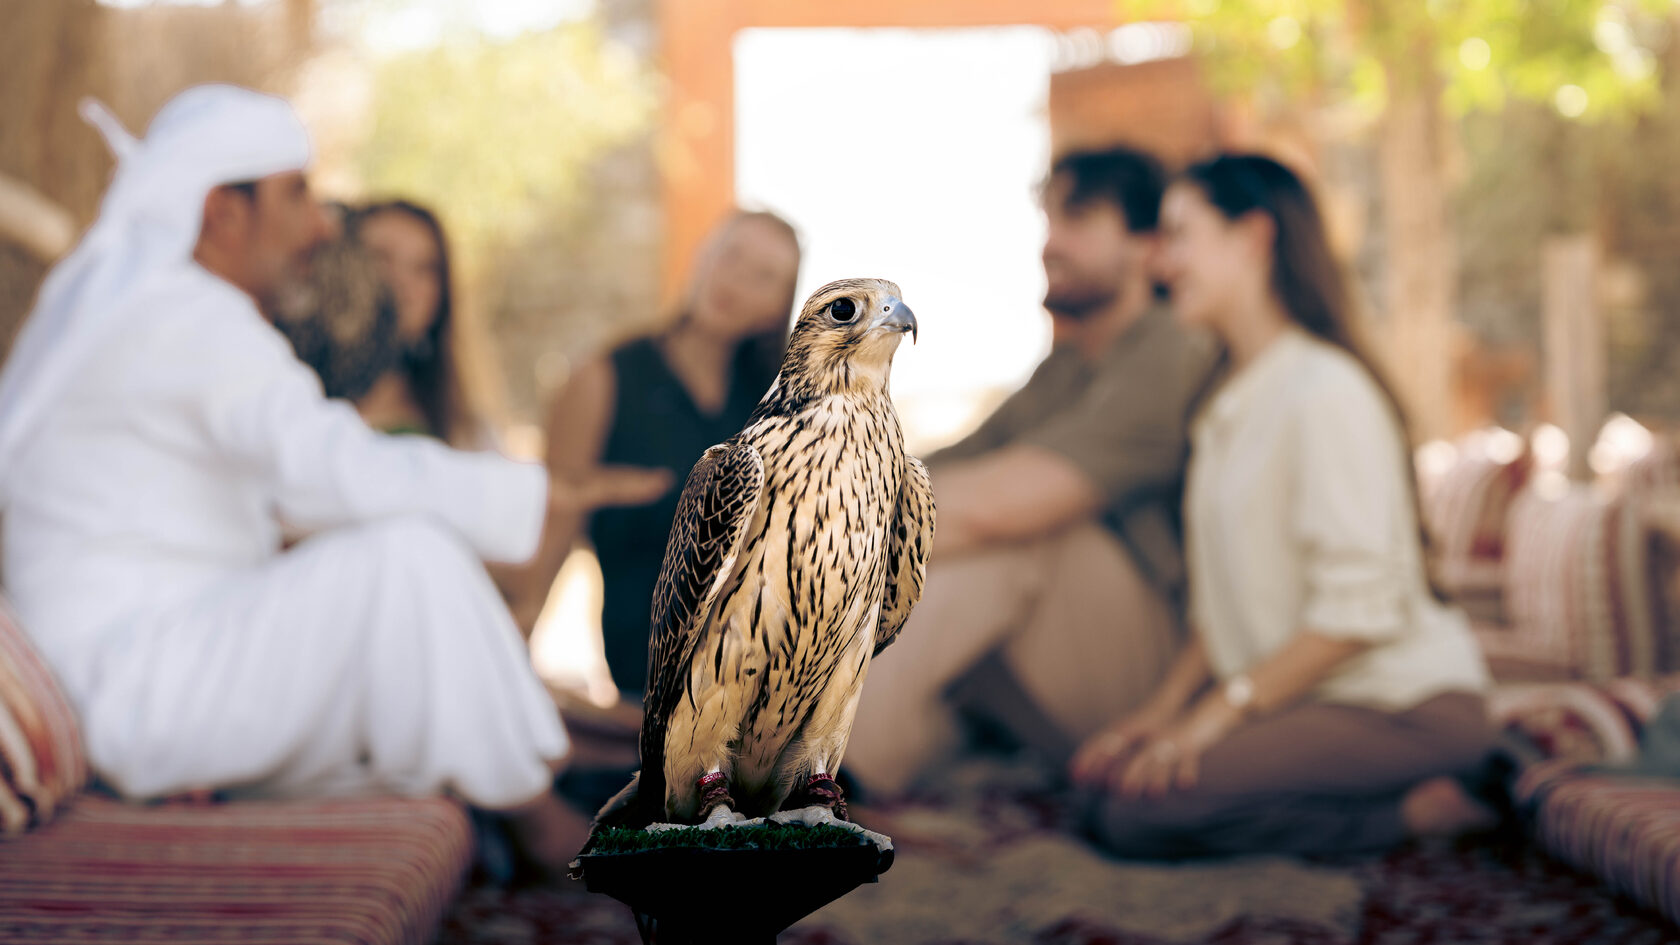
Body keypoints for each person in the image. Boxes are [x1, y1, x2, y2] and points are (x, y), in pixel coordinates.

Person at [0, 85, 660, 876]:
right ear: (223, 212)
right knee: (401, 558)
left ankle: (542, 783)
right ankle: (539, 817)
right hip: (136, 694)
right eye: (297, 194)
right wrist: (537, 492)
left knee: (396, 601)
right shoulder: (185, 319)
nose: (321, 227)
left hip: (151, 670)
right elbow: (330, 472)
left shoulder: (153, 309)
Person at [1070, 154, 1496, 858]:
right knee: (1101, 788)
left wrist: (1214, 718)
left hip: (1402, 706)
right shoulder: (1227, 402)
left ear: (1253, 238)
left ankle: (1411, 812)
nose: (1160, 262)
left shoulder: (1324, 391)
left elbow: (1358, 614)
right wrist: (1159, 713)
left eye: (1179, 235)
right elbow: (1223, 609)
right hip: (1305, 698)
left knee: (1136, 815)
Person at [843, 147, 1221, 795]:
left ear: (1147, 246)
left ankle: (821, 773)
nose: (1051, 244)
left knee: (1027, 533)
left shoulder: (1168, 348)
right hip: (1070, 670)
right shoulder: (1065, 370)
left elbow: (1001, 507)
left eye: (1079, 219)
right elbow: (935, 470)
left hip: (1172, 680)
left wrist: (816, 535)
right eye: (1049, 220)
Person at [512, 209, 801, 682]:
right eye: (731, 255)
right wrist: (507, 663)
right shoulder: (602, 381)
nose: (735, 280)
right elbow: (548, 545)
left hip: (765, 665)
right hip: (654, 673)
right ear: (701, 257)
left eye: (763, 276)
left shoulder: (781, 406)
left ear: (777, 307)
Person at [347, 199, 488, 447]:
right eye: (381, 258)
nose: (401, 282)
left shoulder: (466, 437)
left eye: (423, 269)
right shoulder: (295, 398)